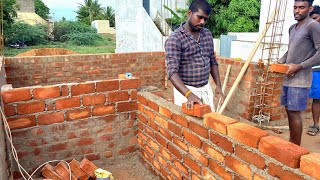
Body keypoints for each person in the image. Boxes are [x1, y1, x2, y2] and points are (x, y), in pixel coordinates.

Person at [165, 0, 224, 111]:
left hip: (205, 88)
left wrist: (218, 87)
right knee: (188, 125)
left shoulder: (207, 34)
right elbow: (172, 72)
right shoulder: (175, 39)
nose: (202, 22)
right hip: (186, 91)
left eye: (205, 19)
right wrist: (189, 94)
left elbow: (212, 61)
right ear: (189, 13)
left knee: (208, 123)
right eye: (199, 17)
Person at [278, 0, 320, 145]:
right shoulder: (292, 28)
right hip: (288, 77)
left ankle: (295, 147)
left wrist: (299, 66)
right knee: (289, 110)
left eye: (302, 8)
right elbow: (291, 50)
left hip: (301, 79)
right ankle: (292, 143)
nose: (297, 11)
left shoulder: (312, 26)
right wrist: (280, 61)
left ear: (310, 8)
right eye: (295, 7)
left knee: (295, 112)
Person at [307, 5, 320, 136]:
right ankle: (316, 125)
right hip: (316, 69)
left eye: (316, 18)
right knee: (317, 99)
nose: (314, 21)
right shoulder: (311, 32)